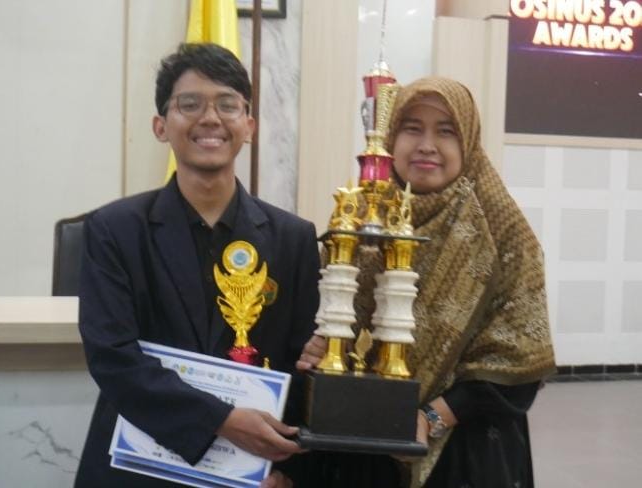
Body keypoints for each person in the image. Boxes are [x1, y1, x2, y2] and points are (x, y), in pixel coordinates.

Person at [75, 42, 320, 488]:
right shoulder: (113, 230)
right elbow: (113, 358)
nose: (210, 118)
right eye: (190, 104)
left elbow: (299, 367)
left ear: (249, 126)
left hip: (252, 471)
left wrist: (286, 468)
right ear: (161, 126)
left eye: (227, 104)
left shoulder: (294, 238)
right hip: (139, 471)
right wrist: (221, 419)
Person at [297, 76, 556, 487]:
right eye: (412, 128)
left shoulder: (503, 232)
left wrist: (430, 418)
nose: (427, 145)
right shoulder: (362, 217)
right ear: (392, 139)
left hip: (463, 451)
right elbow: (335, 316)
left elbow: (520, 363)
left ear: (468, 141)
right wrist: (321, 348)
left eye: (446, 131)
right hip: (360, 440)